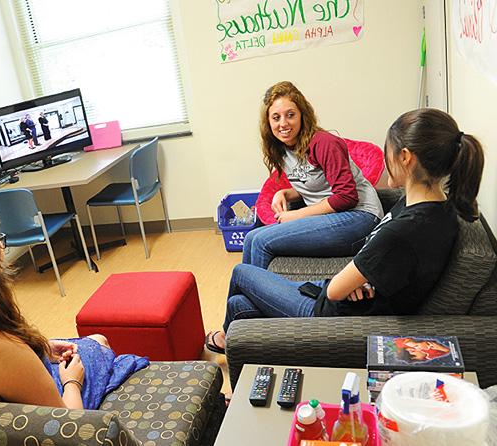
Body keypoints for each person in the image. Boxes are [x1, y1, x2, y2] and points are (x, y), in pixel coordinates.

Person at [206, 108, 484, 354]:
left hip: (331, 314)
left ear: (405, 157)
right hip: (352, 296)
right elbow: (392, 268)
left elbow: (338, 290)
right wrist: (362, 279)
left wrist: (354, 281)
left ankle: (237, 344)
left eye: (387, 150)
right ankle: (238, 345)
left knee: (241, 273)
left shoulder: (405, 230)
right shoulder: (435, 206)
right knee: (238, 306)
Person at [0, 204, 148, 409]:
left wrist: (38, 348)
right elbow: (63, 430)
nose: (1, 247)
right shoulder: (4, 351)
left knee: (88, 341)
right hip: (33, 422)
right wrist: (72, 382)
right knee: (99, 342)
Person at [242, 81, 383, 270]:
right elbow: (314, 182)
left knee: (261, 242)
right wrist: (284, 193)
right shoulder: (282, 149)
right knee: (251, 238)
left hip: (361, 217)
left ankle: (257, 297)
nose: (283, 123)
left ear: (302, 115)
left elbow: (346, 196)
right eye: (276, 117)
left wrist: (296, 215)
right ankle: (245, 299)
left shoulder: (324, 143)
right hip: (333, 216)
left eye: (290, 115)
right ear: (268, 122)